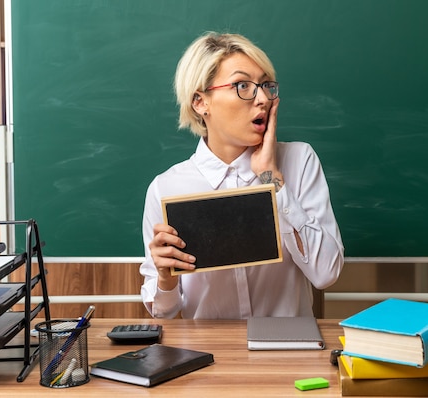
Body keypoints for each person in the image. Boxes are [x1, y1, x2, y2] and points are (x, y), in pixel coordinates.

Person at [139, 32, 344, 319]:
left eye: (265, 85)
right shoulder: (167, 188)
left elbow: (326, 274)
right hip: (208, 355)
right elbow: (165, 313)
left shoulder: (298, 161)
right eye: (243, 86)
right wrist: (165, 279)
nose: (262, 98)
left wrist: (271, 179)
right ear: (201, 102)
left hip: (290, 351)